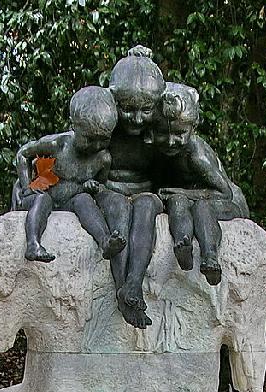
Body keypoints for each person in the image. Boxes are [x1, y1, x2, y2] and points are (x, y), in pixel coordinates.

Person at [11, 86, 126, 263]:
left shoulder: (103, 158)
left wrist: (92, 186)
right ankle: (33, 244)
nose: (95, 146)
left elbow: (101, 186)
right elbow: (23, 154)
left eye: (103, 140)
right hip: (39, 197)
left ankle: (104, 242)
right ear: (73, 126)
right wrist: (26, 186)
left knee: (84, 200)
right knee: (44, 199)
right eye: (89, 138)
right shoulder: (58, 144)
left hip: (68, 202)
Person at [95, 46, 167, 328]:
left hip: (145, 192)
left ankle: (133, 284)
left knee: (147, 207)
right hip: (109, 190)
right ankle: (121, 287)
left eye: (146, 110)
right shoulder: (103, 123)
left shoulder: (162, 132)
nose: (137, 118)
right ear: (113, 101)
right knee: (116, 210)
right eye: (128, 109)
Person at [152, 82, 247, 286]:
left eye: (179, 134)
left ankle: (210, 257)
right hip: (188, 199)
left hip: (225, 202)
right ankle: (182, 244)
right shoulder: (157, 152)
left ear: (192, 128)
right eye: (162, 133)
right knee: (177, 202)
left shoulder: (196, 155)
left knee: (201, 208)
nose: (170, 141)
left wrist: (182, 193)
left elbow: (224, 193)